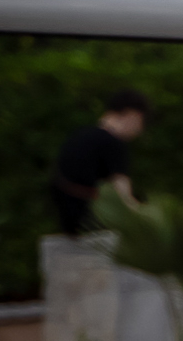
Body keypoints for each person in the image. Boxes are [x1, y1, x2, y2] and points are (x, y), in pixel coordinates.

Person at [51, 89, 149, 235]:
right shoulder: (113, 143)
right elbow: (123, 195)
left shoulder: (79, 136)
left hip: (68, 222)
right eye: (141, 122)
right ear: (131, 115)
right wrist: (147, 217)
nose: (139, 130)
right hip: (92, 225)